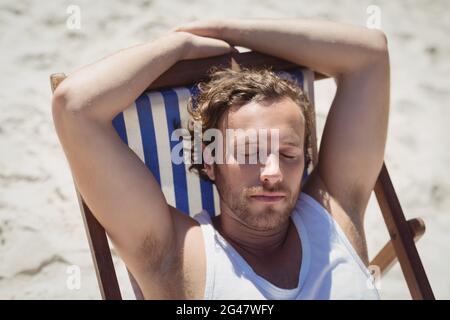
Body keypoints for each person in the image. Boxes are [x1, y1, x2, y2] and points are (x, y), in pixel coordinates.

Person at [52, 18, 390, 299]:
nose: (272, 172)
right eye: (248, 152)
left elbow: (370, 55)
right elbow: (75, 108)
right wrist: (178, 45)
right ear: (209, 160)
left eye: (288, 154)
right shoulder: (176, 257)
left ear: (305, 158)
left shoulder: (334, 211)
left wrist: (228, 31)